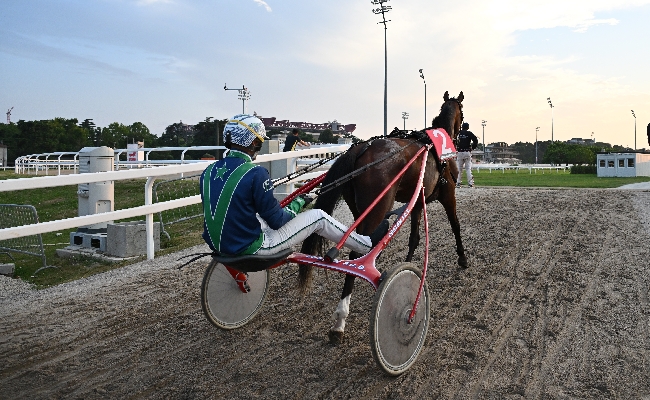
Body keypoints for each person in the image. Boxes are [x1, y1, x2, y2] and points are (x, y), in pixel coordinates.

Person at [201, 114, 388, 257]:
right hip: (251, 248)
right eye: (258, 142)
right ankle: (365, 244)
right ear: (251, 142)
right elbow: (278, 221)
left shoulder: (208, 171)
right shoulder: (255, 173)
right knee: (318, 217)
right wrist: (300, 202)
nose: (258, 148)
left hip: (217, 245)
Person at [455, 122, 478, 188]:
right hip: (467, 152)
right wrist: (472, 147)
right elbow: (475, 140)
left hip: (459, 152)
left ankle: (458, 183)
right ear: (467, 127)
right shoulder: (469, 133)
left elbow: (454, 140)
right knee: (468, 168)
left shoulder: (458, 133)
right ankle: (470, 183)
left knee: (459, 169)